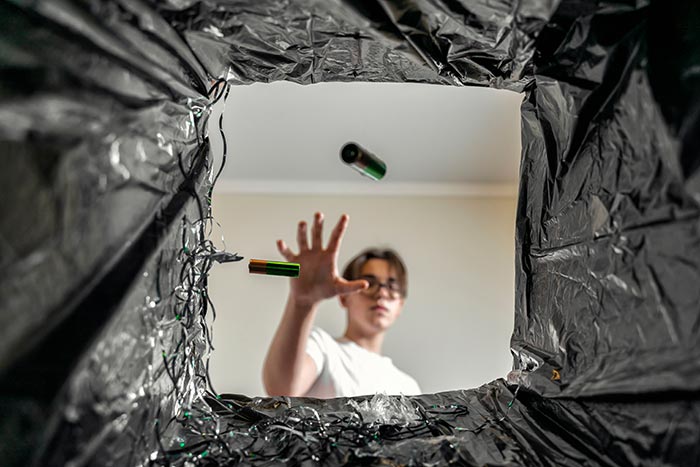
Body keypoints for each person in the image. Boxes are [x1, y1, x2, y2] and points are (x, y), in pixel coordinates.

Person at [262, 212, 421, 398]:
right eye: (369, 283)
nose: (382, 293)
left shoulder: (408, 387)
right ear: (345, 297)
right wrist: (303, 303)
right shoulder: (323, 348)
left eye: (392, 286)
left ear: (400, 305)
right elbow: (282, 390)